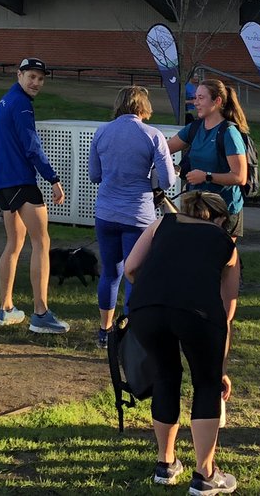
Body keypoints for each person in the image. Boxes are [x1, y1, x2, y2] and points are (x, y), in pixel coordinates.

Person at [124, 191, 241, 495]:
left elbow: (130, 269)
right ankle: (205, 474)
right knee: (205, 383)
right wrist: (221, 369)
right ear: (218, 218)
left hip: (146, 308)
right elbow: (227, 311)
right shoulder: (226, 245)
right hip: (199, 313)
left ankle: (166, 464)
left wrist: (159, 293)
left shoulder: (161, 224)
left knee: (165, 375)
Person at [88, 86, 176, 349]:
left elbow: (94, 175)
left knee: (110, 274)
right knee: (134, 273)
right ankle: (131, 332)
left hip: (106, 213)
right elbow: (169, 180)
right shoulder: (152, 135)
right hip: (138, 216)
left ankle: (105, 331)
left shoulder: (101, 132)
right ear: (142, 107)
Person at [0, 57, 69, 334]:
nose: (36, 82)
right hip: (21, 179)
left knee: (14, 243)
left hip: (3, 180)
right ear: (19, 75)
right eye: (31, 76)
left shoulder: (5, 100)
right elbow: (32, 146)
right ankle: (40, 313)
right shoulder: (21, 104)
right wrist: (53, 179)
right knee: (41, 242)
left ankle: (6, 308)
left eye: (41, 78)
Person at [166, 79, 248, 240]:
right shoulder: (195, 128)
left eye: (201, 98)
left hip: (224, 210)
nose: (196, 102)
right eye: (195, 97)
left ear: (217, 101)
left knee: (220, 260)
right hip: (197, 208)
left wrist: (206, 176)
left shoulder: (229, 133)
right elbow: (163, 150)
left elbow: (240, 177)